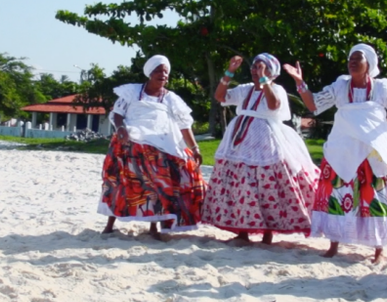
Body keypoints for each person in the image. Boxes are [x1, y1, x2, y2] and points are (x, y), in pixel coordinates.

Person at [285, 44, 387, 263]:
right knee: (336, 192)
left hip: (374, 150)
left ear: (369, 65)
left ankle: (378, 249)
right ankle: (334, 243)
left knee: (376, 195)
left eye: (358, 58)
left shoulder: (381, 87)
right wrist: (300, 82)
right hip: (342, 148)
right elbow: (314, 105)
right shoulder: (340, 85)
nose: (352, 61)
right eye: (350, 58)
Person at [203, 53, 318, 245]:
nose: (255, 71)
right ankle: (242, 230)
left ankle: (268, 231)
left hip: (265, 139)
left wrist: (264, 80)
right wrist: (229, 72)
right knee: (241, 183)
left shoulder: (276, 89)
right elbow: (220, 96)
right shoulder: (245, 89)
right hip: (239, 139)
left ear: (270, 72)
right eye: (254, 67)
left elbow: (273, 105)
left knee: (265, 183)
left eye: (260, 67)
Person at [99, 55, 206, 236]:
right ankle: (110, 224)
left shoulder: (171, 99)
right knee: (118, 182)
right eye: (158, 70)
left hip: (159, 146)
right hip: (130, 142)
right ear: (149, 73)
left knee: (159, 184)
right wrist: (121, 128)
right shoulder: (132, 92)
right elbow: (117, 114)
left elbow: (184, 125)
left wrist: (195, 148)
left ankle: (154, 227)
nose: (162, 75)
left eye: (165, 71)